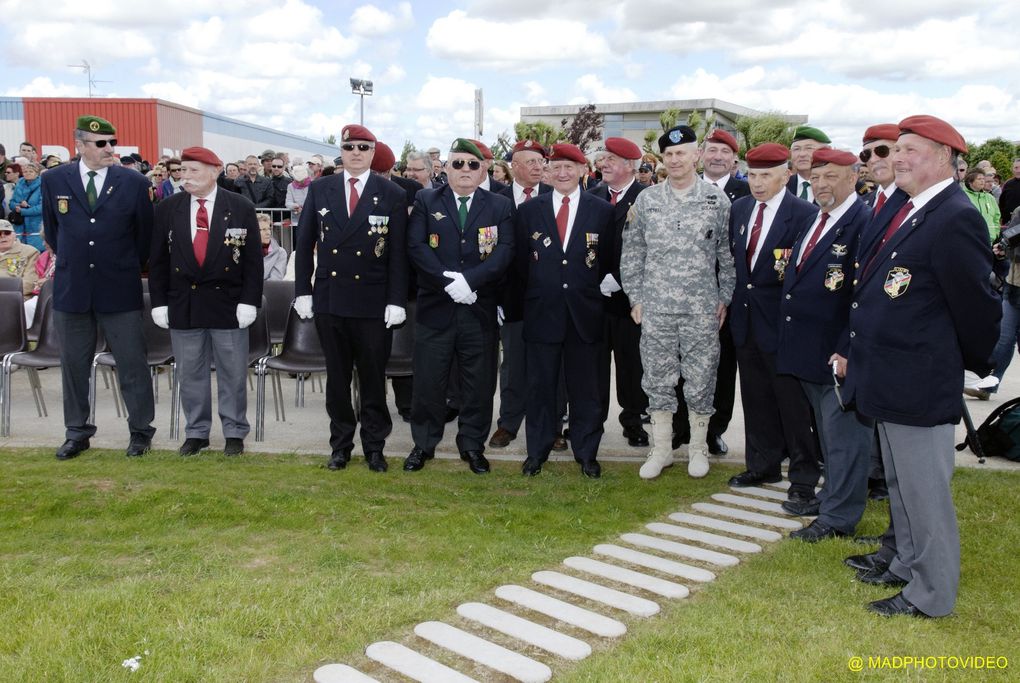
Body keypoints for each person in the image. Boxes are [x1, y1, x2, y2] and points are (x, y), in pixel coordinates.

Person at [840, 115, 1000, 618]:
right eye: (899, 149)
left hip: (919, 376)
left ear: (948, 159)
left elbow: (977, 307)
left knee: (925, 494)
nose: (901, 157)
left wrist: (964, 363)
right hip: (891, 373)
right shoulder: (914, 210)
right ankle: (907, 565)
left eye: (914, 150)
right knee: (902, 487)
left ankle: (931, 596)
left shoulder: (955, 215)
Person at [293, 124, 408, 472]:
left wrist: (396, 300)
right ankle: (340, 445)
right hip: (332, 298)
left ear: (373, 152)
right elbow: (304, 245)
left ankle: (374, 446)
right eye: (349, 146)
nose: (356, 152)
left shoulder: (391, 193)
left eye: (363, 146)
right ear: (340, 152)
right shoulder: (321, 189)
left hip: (373, 302)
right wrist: (302, 291)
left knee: (373, 378)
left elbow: (398, 254)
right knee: (338, 379)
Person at [621, 125, 734, 479]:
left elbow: (727, 256)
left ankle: (698, 448)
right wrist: (635, 297)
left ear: (696, 155)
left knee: (701, 378)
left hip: (702, 308)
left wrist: (725, 297)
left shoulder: (717, 201)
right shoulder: (647, 200)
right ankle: (662, 449)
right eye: (668, 154)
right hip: (655, 307)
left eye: (681, 152)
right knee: (657, 379)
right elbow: (632, 252)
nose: (674, 159)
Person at [40, 115, 156, 459]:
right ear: (80, 145)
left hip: (118, 287)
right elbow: (53, 230)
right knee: (74, 365)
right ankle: (77, 432)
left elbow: (143, 236)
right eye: (101, 143)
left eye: (112, 143)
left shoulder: (132, 182)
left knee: (132, 363)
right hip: (72, 288)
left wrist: (122, 265)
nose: (109, 149)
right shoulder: (53, 179)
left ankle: (140, 431)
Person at [776, 148, 874, 541]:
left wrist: (847, 349)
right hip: (807, 351)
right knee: (828, 436)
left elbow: (862, 296)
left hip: (837, 352)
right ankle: (833, 497)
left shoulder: (862, 222)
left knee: (845, 439)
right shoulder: (816, 218)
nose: (820, 185)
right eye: (816, 177)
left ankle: (839, 518)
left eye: (830, 176)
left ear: (854, 176)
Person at [402, 139, 514, 474]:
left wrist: (472, 282)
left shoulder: (500, 205)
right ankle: (423, 445)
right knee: (428, 382)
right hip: (437, 307)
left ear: (483, 171)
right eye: (458, 163)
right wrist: (450, 282)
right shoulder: (426, 199)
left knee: (478, 383)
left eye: (472, 164)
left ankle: (472, 446)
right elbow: (416, 246)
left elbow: (505, 250)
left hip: (478, 309)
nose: (465, 170)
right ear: (445, 168)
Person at [148, 146, 264, 456]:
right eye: (182, 170)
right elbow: (157, 260)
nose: (185, 176)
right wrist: (158, 302)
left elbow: (253, 260)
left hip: (227, 302)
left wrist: (249, 300)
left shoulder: (239, 206)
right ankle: (197, 432)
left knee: (233, 372)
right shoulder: (167, 207)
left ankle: (234, 431)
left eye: (193, 170)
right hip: (184, 302)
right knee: (190, 373)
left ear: (215, 171)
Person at [727, 142, 821, 512]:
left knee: (793, 406)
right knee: (755, 398)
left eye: (766, 175)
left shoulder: (804, 214)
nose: (758, 182)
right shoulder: (740, 209)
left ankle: (803, 478)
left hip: (784, 324)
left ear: (786, 174)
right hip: (747, 320)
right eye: (752, 174)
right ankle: (762, 466)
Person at [516, 143, 615, 479]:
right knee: (540, 388)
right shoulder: (530, 210)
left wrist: (609, 287)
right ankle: (537, 452)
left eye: (569, 167)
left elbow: (611, 260)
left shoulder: (601, 211)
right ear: (547, 171)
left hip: (585, 315)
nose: (562, 173)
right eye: (555, 167)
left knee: (586, 389)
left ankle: (586, 453)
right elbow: (519, 265)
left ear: (584, 170)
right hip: (542, 313)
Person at [489, 139, 552, 450]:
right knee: (512, 363)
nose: (539, 167)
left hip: (548, 296)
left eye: (542, 162)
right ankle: (509, 422)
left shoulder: (556, 198)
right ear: (514, 166)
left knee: (550, 363)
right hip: (509, 296)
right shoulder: (494, 200)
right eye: (531, 162)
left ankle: (551, 425)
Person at [588, 136, 650, 448]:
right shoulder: (594, 194)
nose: (603, 164)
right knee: (594, 364)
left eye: (611, 160)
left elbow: (652, 251)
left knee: (631, 364)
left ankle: (633, 420)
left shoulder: (647, 198)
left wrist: (621, 279)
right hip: (596, 299)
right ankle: (592, 419)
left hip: (630, 301)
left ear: (629, 166)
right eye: (603, 159)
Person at [786, 126, 831, 203]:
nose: (802, 154)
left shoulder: (837, 186)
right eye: (796, 149)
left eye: (809, 148)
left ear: (826, 151)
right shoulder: (782, 185)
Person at [9, 161, 44, 251]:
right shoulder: (19, 184)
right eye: (25, 171)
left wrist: (23, 210)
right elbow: (11, 203)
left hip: (35, 226)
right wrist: (18, 205)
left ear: (37, 173)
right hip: (19, 225)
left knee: (35, 252)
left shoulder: (43, 186)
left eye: (31, 171)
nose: (27, 174)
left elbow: (42, 207)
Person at [0, 219, 39, 298]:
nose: (3, 236)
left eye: (7, 233)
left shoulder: (30, 252)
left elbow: (30, 283)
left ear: (14, 235)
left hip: (15, 299)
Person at [961, 168, 1000, 242]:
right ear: (970, 181)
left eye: (983, 178)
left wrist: (996, 233)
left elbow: (996, 216)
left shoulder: (990, 197)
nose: (982, 181)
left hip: (990, 241)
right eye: (979, 179)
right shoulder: (963, 196)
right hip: (971, 241)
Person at [258, 213, 287, 280]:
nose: (268, 233)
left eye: (269, 229)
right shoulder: (244, 251)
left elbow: (275, 280)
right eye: (264, 229)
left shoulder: (280, 252)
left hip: (267, 289)